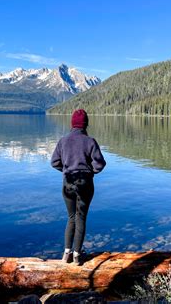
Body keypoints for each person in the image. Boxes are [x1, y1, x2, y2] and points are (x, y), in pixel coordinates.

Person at [50, 109, 106, 265]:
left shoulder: (63, 141)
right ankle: (77, 256)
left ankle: (66, 254)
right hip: (85, 184)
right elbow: (100, 164)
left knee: (71, 218)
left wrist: (67, 171)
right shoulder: (90, 142)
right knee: (81, 218)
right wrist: (89, 173)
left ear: (72, 124)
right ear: (85, 124)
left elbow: (54, 162)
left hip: (67, 183)